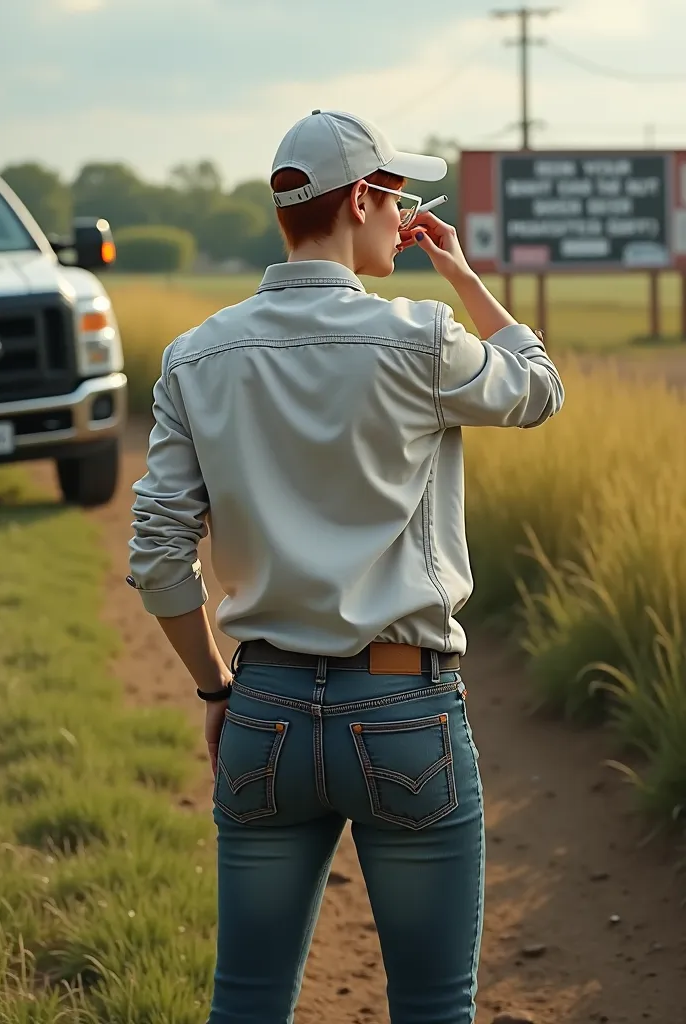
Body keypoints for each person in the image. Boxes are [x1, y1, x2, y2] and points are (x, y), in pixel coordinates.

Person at [128, 109, 564, 1024]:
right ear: (363, 200)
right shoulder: (424, 338)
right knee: (433, 1008)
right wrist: (460, 273)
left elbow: (159, 552)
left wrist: (215, 690)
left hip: (265, 713)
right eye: (398, 196)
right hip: (406, 711)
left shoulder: (195, 356)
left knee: (244, 1002)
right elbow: (539, 390)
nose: (403, 216)